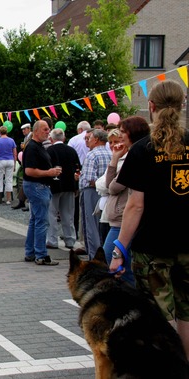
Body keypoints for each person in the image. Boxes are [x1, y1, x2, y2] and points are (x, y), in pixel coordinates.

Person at [110, 80, 189, 357]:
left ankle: (168, 369)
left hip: (153, 244)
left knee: (159, 312)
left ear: (151, 107)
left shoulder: (142, 150)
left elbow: (135, 206)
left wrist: (119, 248)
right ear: (183, 105)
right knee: (187, 312)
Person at [101, 116, 149, 287]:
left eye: (122, 132)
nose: (119, 137)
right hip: (120, 216)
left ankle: (132, 292)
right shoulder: (130, 155)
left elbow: (113, 187)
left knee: (113, 255)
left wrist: (114, 161)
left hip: (125, 218)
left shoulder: (135, 155)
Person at [22, 120, 61, 265]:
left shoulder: (38, 146)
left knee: (35, 220)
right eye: (45, 129)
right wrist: (49, 172)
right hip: (37, 186)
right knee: (41, 221)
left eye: (49, 129)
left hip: (38, 186)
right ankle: (41, 254)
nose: (48, 131)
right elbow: (29, 171)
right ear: (36, 131)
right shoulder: (32, 147)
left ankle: (31, 252)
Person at [79, 128, 111, 259]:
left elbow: (89, 178)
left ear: (96, 139)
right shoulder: (110, 153)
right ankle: (104, 254)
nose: (88, 141)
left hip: (92, 191)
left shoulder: (92, 155)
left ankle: (94, 256)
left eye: (89, 138)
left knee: (91, 224)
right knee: (104, 223)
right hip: (107, 193)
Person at [46, 128, 81, 250]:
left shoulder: (49, 151)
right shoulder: (71, 150)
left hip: (54, 186)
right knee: (68, 214)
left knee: (52, 214)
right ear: (64, 138)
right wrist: (76, 186)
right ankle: (70, 239)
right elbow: (77, 168)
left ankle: (52, 240)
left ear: (51, 139)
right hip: (69, 185)